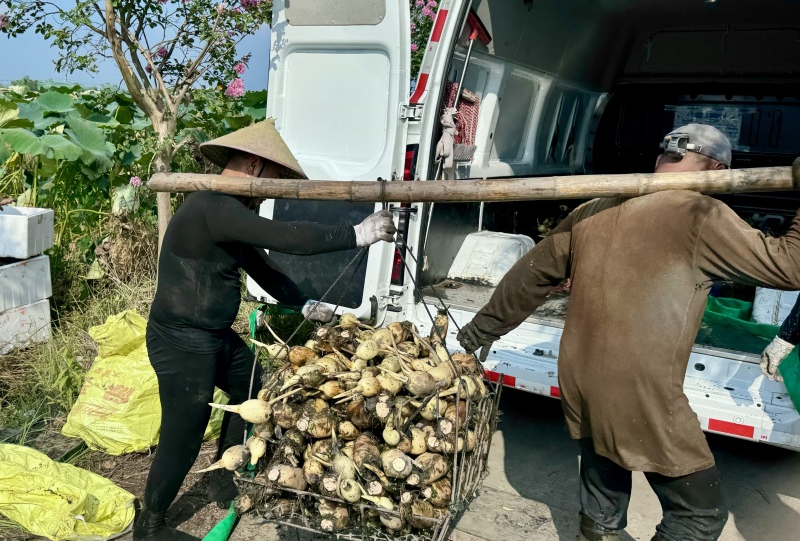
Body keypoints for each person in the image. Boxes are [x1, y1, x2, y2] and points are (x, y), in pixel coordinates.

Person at [457, 123, 800, 541]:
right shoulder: (701, 213)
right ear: (715, 168)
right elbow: (790, 266)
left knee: (603, 501)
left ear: (662, 158)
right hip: (639, 390)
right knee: (698, 517)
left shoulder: (594, 208)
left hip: (579, 379)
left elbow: (531, 274)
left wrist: (481, 328)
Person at [133, 119, 397, 541]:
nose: (272, 191)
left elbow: (262, 266)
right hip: (181, 341)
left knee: (253, 384)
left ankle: (227, 467)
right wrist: (356, 234)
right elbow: (283, 237)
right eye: (273, 180)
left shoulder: (228, 213)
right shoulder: (212, 206)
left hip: (213, 337)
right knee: (185, 431)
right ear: (255, 166)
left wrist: (304, 302)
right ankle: (149, 524)